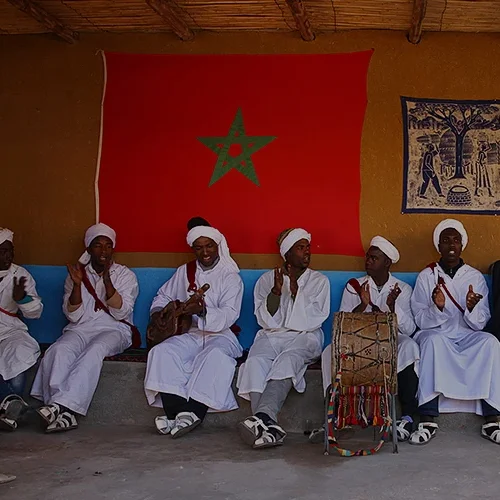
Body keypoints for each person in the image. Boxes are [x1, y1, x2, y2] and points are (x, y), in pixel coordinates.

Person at [31, 223, 139, 433]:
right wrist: (78, 285)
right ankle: (65, 413)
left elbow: (120, 313)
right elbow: (73, 315)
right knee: (58, 350)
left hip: (114, 330)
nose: (104, 251)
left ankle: (58, 406)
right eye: (98, 246)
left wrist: (107, 280)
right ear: (88, 249)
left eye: (108, 246)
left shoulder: (126, 275)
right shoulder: (76, 275)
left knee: (94, 351)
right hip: (81, 328)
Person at [144, 219, 243, 438]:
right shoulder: (184, 271)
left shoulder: (231, 277)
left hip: (220, 335)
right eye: (199, 247)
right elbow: (163, 296)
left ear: (217, 246)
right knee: (163, 352)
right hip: (190, 333)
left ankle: (193, 413)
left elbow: (229, 314)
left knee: (215, 356)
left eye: (209, 246)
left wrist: (202, 311)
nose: (205, 252)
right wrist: (159, 314)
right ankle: (175, 413)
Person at [317, 236, 420, 442]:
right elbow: (342, 325)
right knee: (329, 351)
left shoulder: (403, 289)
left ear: (387, 263)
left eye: (374, 258)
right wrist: (362, 307)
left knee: (410, 347)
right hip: (357, 342)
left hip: (389, 342)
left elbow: (408, 329)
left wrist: (393, 308)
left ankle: (408, 416)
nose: (368, 261)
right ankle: (333, 415)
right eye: (368, 257)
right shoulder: (354, 286)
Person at [409, 219, 500, 445]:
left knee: (490, 342)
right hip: (436, 331)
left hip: (465, 333)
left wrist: (471, 308)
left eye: (456, 240)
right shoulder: (426, 276)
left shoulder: (474, 277)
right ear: (438, 246)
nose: (451, 245)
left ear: (462, 245)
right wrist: (437, 308)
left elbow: (481, 322)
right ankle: (428, 417)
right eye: (446, 240)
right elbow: (419, 318)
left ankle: (492, 419)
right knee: (433, 342)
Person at [237, 228, 330, 449]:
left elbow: (316, 316)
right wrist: (276, 293)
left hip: (304, 336)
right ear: (286, 254)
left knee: (288, 360)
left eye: (307, 247)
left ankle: (263, 418)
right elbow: (264, 318)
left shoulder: (319, 281)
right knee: (255, 362)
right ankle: (270, 429)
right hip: (272, 335)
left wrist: (298, 293)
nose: (307, 252)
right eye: (300, 248)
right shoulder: (266, 279)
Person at [0, 228, 43, 431]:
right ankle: (9, 404)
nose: (6, 256)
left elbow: (35, 312)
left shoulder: (20, 274)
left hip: (10, 329)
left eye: (9, 251)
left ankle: (10, 406)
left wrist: (22, 299)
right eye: (1, 251)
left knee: (20, 351)